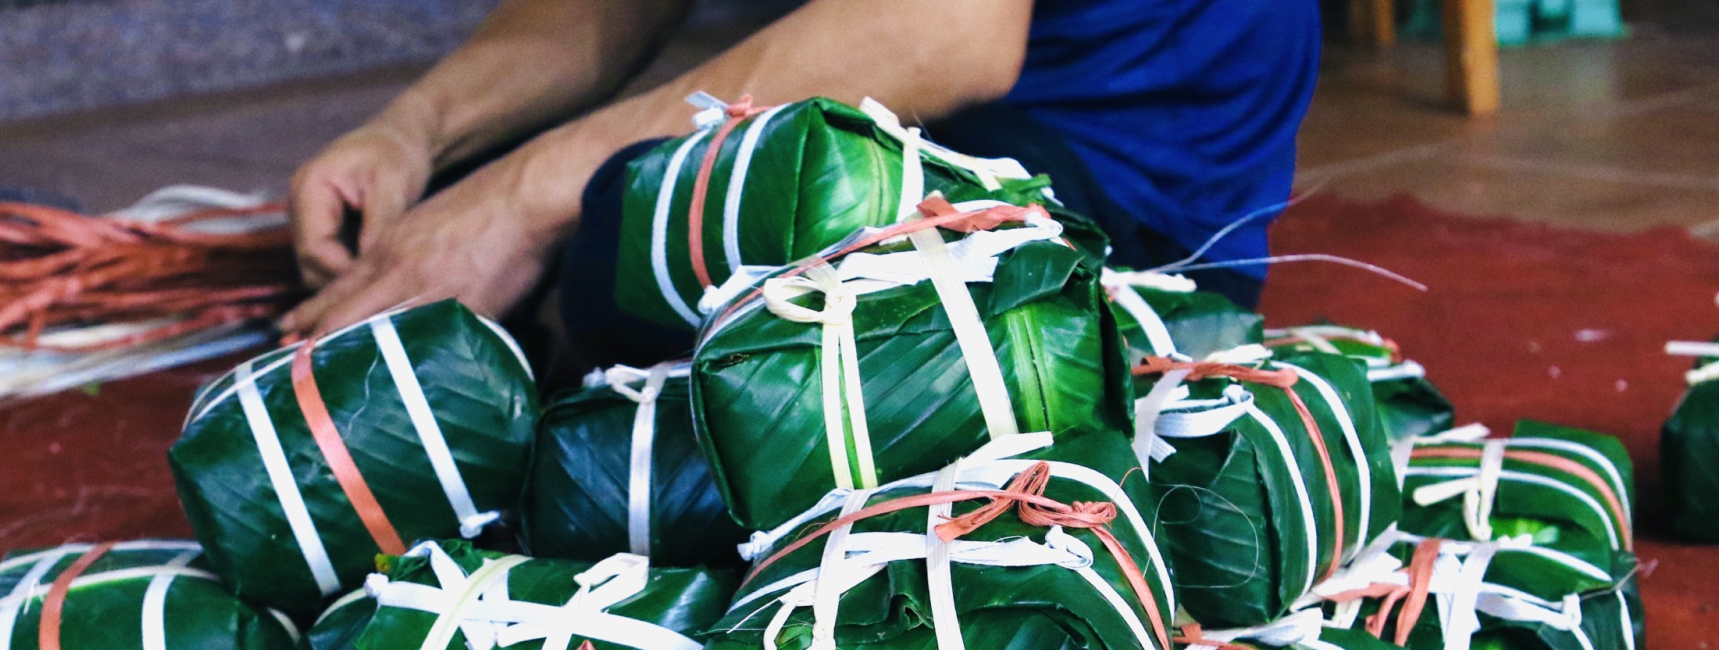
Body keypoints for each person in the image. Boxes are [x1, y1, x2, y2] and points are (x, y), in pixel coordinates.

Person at [280, 0, 1319, 341]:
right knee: (541, 205)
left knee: (621, 244)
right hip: (945, 115)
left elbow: (943, 29)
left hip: (1127, 201)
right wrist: (419, 134)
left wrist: (519, 204)